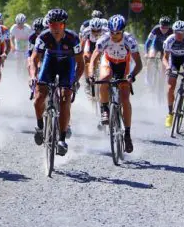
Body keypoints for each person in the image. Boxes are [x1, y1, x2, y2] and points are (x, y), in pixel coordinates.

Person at [29, 9, 84, 156]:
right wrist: (33, 76)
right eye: (52, 25)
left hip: (67, 64)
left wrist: (75, 81)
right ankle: (40, 127)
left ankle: (62, 139)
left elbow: (81, 63)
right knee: (39, 98)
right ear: (49, 25)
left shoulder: (73, 39)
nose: (56, 28)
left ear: (64, 25)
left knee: (66, 98)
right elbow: (34, 59)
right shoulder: (43, 37)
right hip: (50, 62)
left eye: (59, 25)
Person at [89, 14, 142, 153]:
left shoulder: (130, 40)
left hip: (124, 64)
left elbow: (139, 64)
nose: (114, 35)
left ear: (123, 31)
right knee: (104, 78)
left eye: (117, 33)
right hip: (109, 62)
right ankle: (105, 109)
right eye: (112, 32)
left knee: (125, 99)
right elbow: (93, 59)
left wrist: (132, 75)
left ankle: (128, 135)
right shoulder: (104, 38)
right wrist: (90, 74)